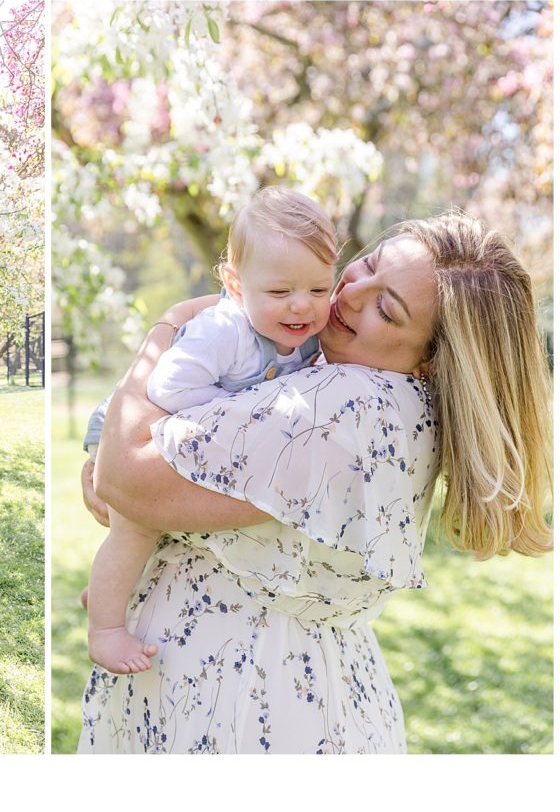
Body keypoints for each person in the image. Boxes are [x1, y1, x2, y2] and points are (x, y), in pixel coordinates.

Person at [78, 212, 551, 753]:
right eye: (367, 266)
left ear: (433, 364)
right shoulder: (372, 390)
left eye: (385, 309)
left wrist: (171, 322)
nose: (349, 294)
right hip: (278, 684)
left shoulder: (346, 407)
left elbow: (123, 477)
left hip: (242, 700)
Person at [86, 188, 334, 675]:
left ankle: (109, 591)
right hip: (130, 416)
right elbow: (169, 386)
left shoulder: (305, 336)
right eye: (280, 293)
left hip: (174, 419)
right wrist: (237, 411)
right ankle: (104, 630)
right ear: (236, 285)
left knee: (152, 531)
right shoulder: (225, 330)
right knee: (137, 525)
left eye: (319, 290)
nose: (301, 307)